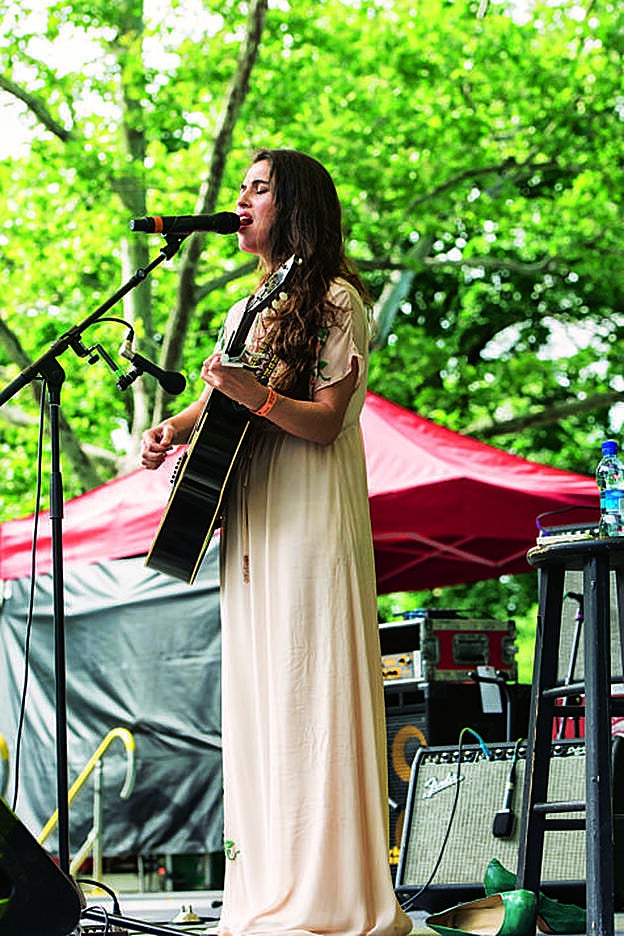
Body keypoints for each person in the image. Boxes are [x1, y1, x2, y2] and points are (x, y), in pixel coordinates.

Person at [141, 149, 413, 936]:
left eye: (257, 189)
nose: (241, 201)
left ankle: (327, 895)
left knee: (308, 684)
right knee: (262, 692)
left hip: (308, 511)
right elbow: (219, 398)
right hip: (251, 512)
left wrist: (253, 395)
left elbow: (325, 421)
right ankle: (268, 886)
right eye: (241, 189)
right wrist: (173, 428)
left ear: (293, 206)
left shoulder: (336, 299)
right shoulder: (251, 304)